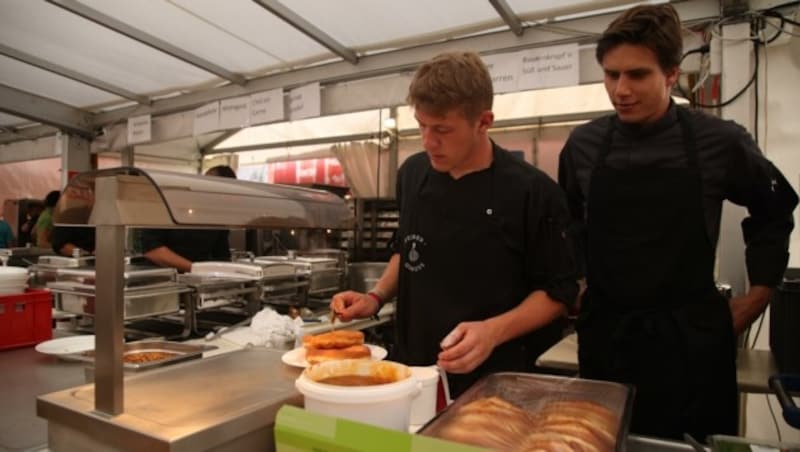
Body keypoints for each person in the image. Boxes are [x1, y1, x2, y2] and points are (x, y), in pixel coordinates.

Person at [558, 4, 799, 441]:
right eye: (611, 75)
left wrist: (758, 295)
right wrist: (577, 284)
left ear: (671, 74)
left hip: (691, 341)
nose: (621, 89)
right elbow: (571, 222)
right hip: (608, 336)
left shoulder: (720, 142)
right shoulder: (583, 145)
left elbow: (775, 210)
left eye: (637, 75)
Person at [331, 52, 578, 397]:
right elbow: (409, 248)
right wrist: (375, 296)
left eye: (443, 130)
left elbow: (559, 293)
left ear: (484, 121)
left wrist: (493, 331)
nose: (429, 142)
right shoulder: (413, 174)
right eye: (421, 126)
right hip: (413, 371)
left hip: (497, 383)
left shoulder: (533, 192)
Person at [140, 165, 236, 272]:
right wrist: (195, 269)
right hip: (160, 279)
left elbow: (221, 257)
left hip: (197, 281)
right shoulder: (170, 202)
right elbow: (152, 250)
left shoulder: (217, 216)